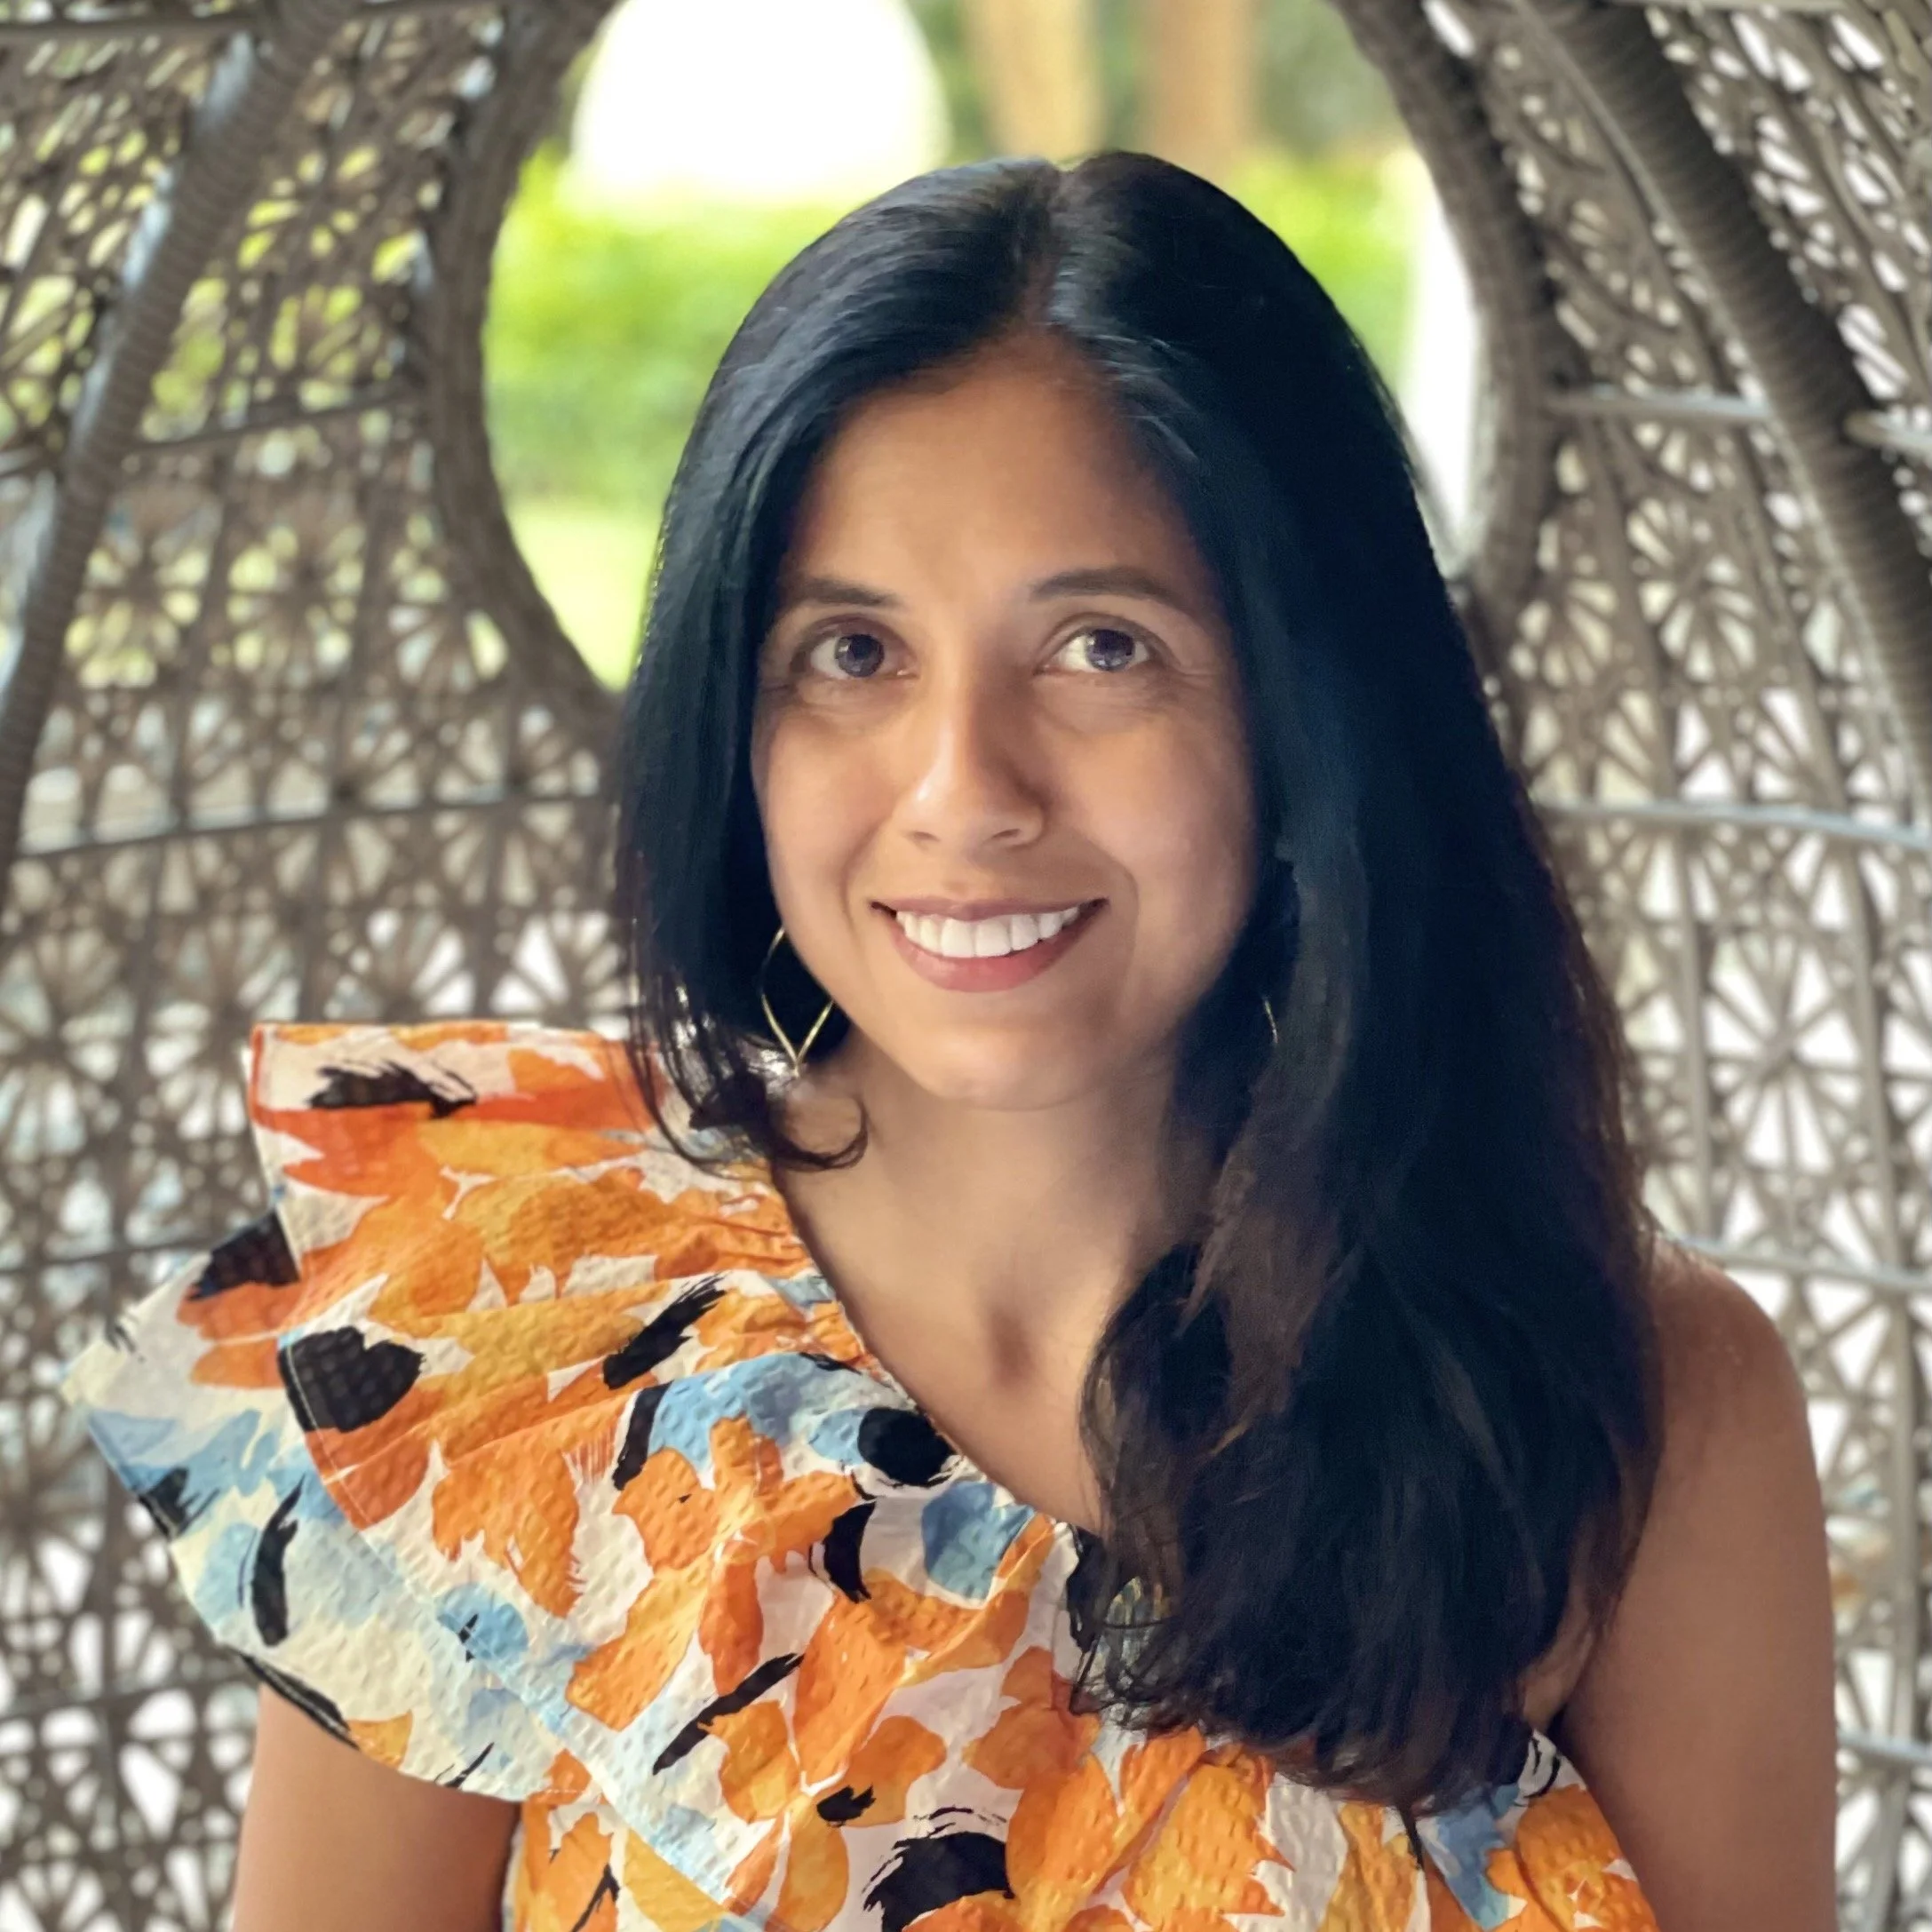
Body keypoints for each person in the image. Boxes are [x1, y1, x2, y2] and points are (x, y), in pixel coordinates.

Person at [63, 151, 1837, 1931]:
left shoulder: (1631, 1398)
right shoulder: (499, 1338)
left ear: (1310, 709)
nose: (962, 789)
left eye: (1098, 644)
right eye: (851, 652)